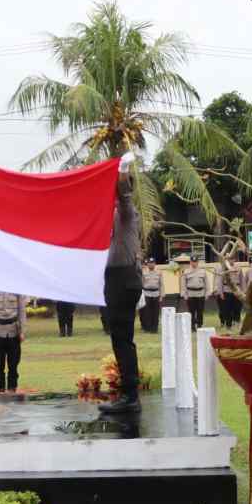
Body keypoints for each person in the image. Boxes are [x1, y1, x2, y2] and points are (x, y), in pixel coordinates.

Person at [99, 154, 144, 416]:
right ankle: (128, 394)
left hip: (124, 279)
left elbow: (125, 197)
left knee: (123, 339)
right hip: (113, 280)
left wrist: (123, 171)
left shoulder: (127, 214)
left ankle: (130, 396)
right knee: (119, 338)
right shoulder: (107, 218)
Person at [0, 288, 27, 392]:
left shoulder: (16, 288)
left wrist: (22, 331)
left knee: (14, 363)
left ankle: (12, 387)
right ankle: (0, 387)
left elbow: (22, 311)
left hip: (13, 330)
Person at [180, 258, 209, 330]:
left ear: (198, 262)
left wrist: (207, 293)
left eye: (195, 262)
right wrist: (184, 295)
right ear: (190, 262)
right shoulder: (186, 272)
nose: (194, 263)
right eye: (193, 262)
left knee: (200, 311)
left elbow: (207, 283)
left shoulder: (203, 271)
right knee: (191, 311)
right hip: (190, 294)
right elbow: (183, 284)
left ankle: (199, 325)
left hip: (200, 293)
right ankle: (192, 326)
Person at [139, 260, 162, 333]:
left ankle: (154, 328)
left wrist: (161, 295)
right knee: (147, 312)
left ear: (154, 264)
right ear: (147, 264)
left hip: (156, 293)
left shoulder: (159, 272)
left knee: (155, 312)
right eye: (149, 263)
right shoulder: (144, 272)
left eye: (152, 263)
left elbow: (161, 285)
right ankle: (147, 328)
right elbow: (141, 284)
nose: (151, 265)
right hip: (147, 293)